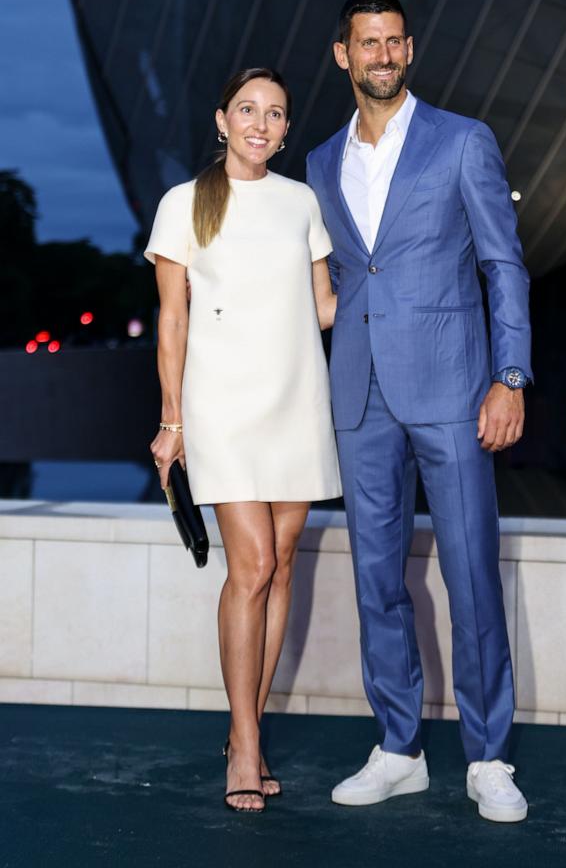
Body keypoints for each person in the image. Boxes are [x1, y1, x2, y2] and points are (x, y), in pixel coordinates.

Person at [306, 0, 532, 823]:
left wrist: (510, 377)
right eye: (369, 43)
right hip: (359, 393)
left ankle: (489, 756)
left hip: (452, 387)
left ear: (410, 49)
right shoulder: (322, 162)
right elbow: (332, 282)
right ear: (344, 55)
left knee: (471, 573)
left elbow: (504, 266)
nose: (384, 56)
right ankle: (398, 746)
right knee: (377, 580)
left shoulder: (463, 142)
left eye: (395, 41)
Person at [145, 67, 341, 814]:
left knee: (282, 566)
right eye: (249, 110)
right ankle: (248, 747)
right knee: (252, 565)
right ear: (222, 119)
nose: (262, 123)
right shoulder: (185, 203)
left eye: (277, 114)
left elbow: (323, 306)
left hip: (298, 398)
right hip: (221, 404)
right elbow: (172, 320)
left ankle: (243, 734)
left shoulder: (301, 203)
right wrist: (172, 420)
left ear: (287, 131)